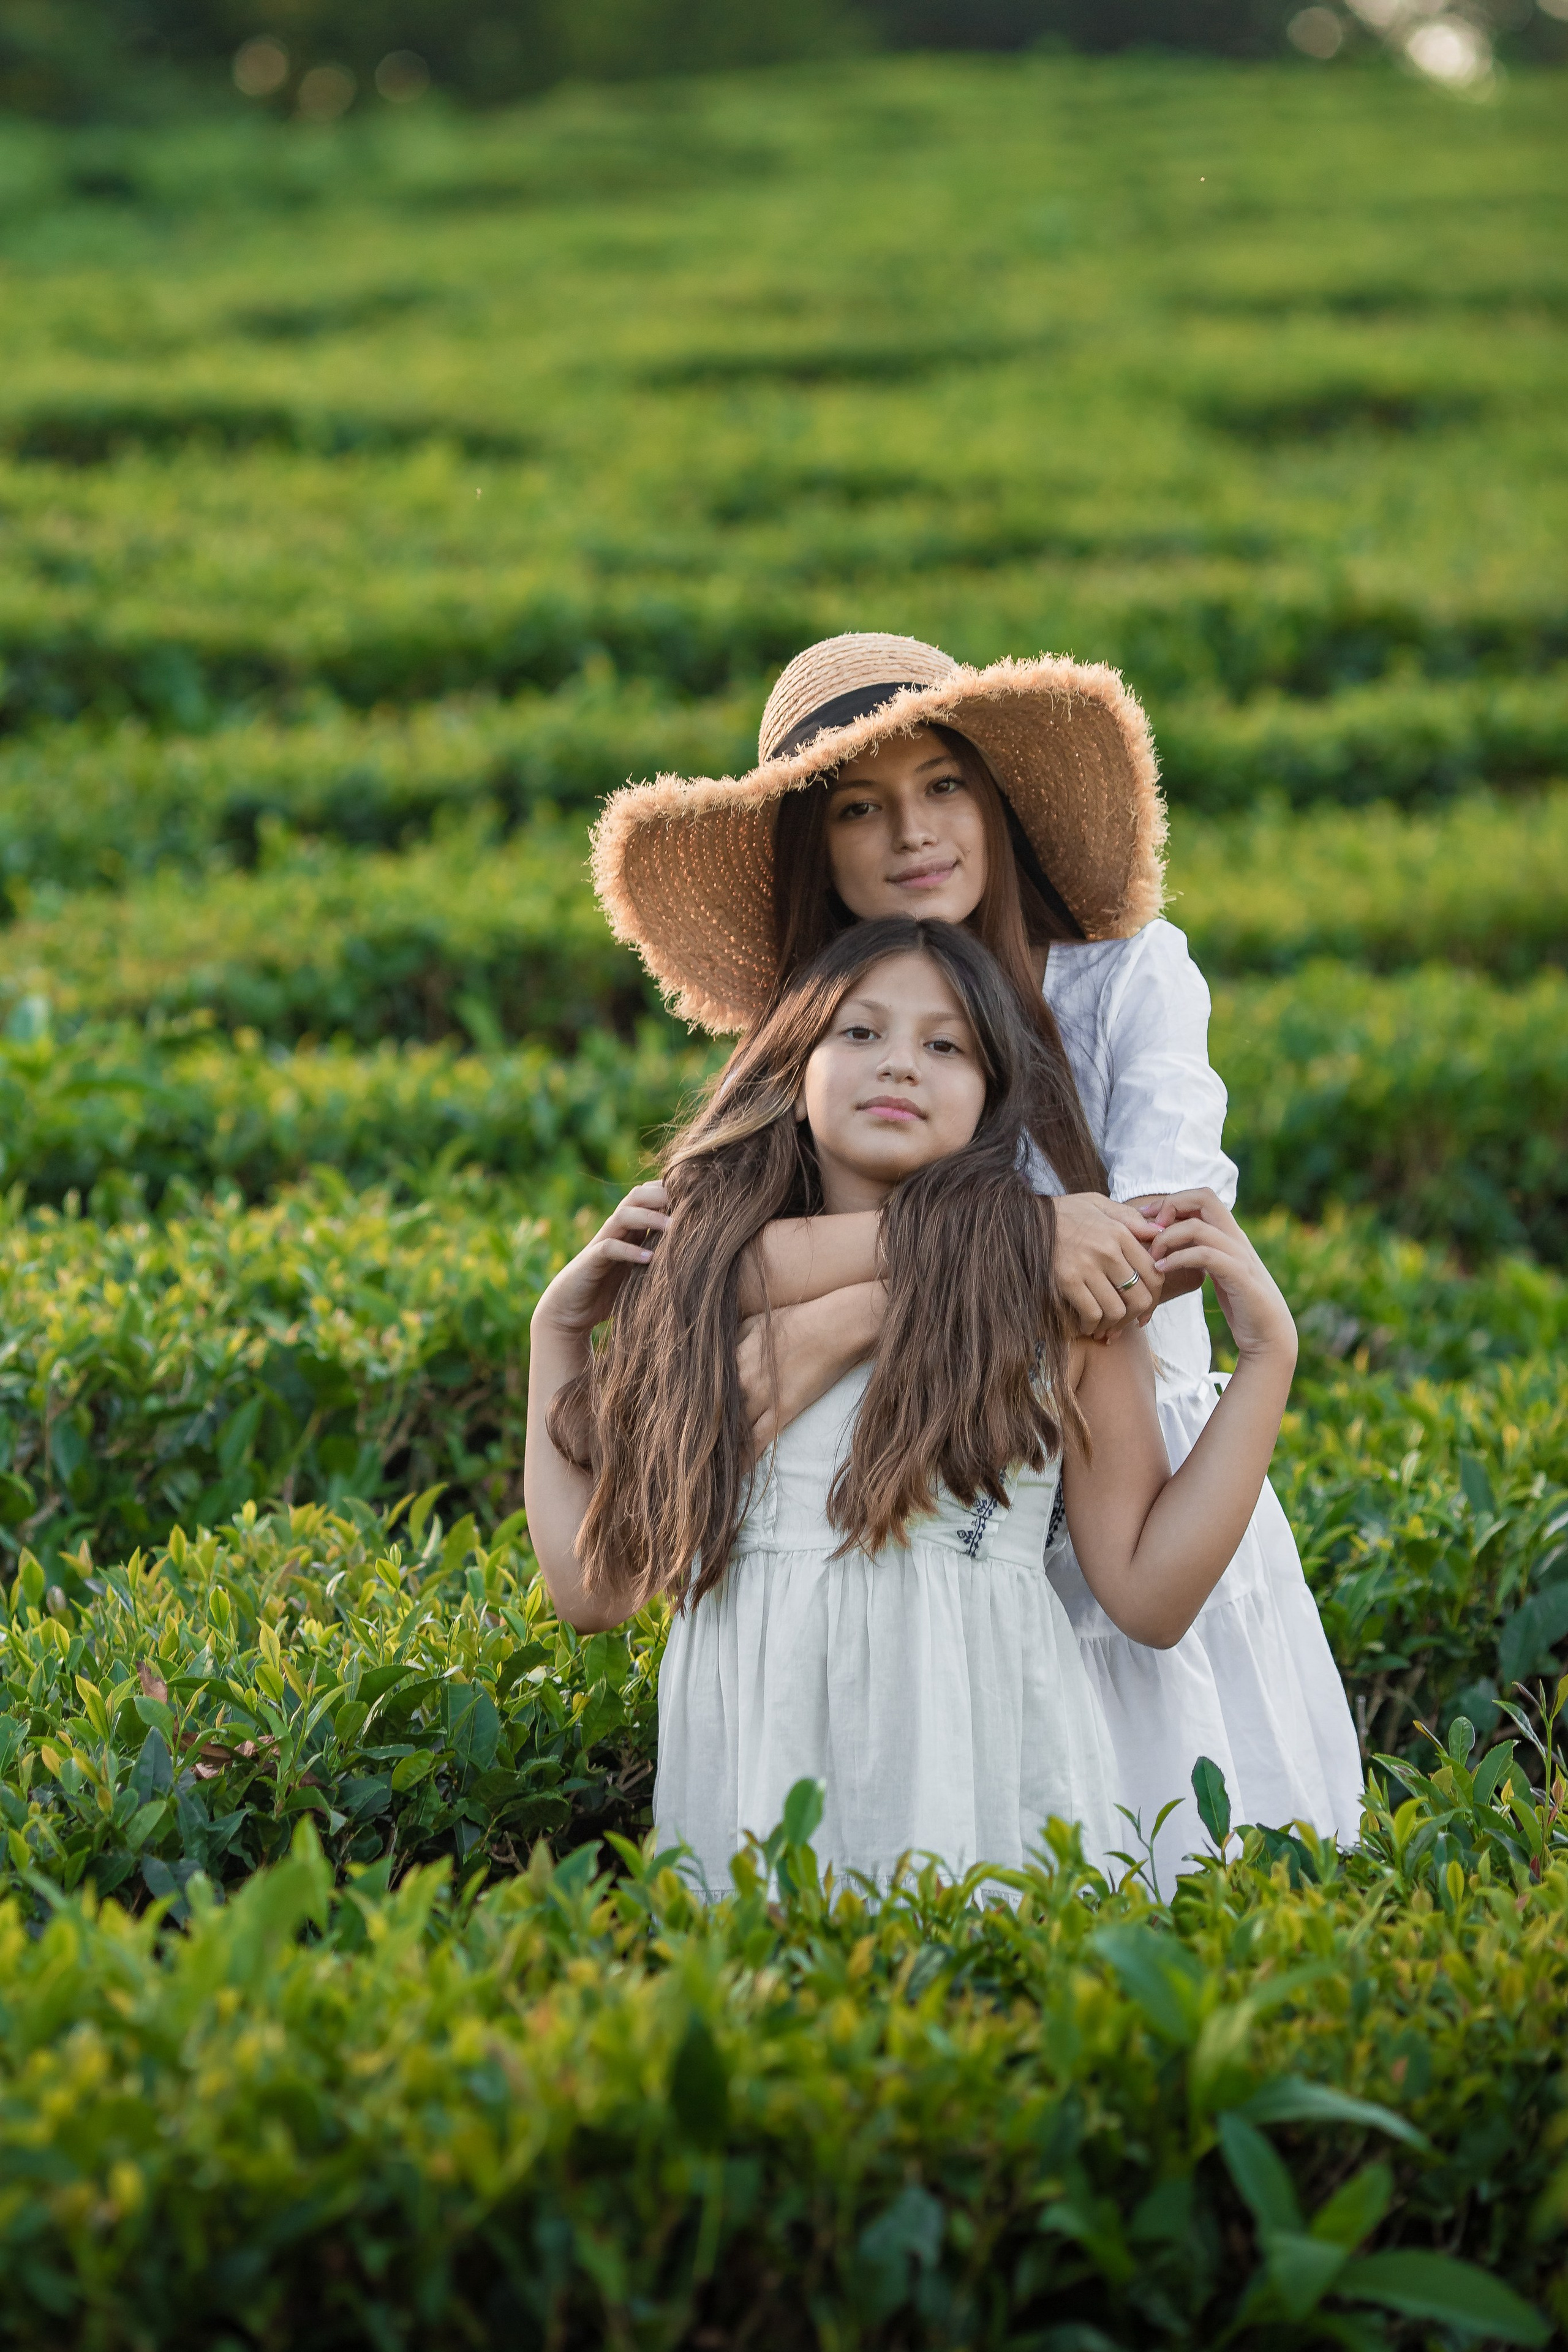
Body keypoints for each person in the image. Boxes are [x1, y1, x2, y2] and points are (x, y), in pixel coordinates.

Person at [590, 631, 1362, 1874]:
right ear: (817, 849)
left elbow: (1140, 1261)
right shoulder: (828, 1035)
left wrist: (888, 1281)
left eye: (943, 785)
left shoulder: (1123, 980)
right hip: (920, 1506)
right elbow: (714, 1266)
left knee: (1135, 1868)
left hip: (1123, 1475)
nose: (912, 834)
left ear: (995, 799)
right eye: (859, 807)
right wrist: (1013, 1238)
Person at [525, 919, 1303, 1893]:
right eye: (859, 1032)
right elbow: (593, 1589)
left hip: (985, 1774)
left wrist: (1268, 1360)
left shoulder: (1063, 1309)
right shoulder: (707, 1287)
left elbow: (1151, 1598)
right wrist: (555, 1333)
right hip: (760, 1768)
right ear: (794, 1072)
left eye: (946, 1046)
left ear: (991, 1102)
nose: (899, 1063)